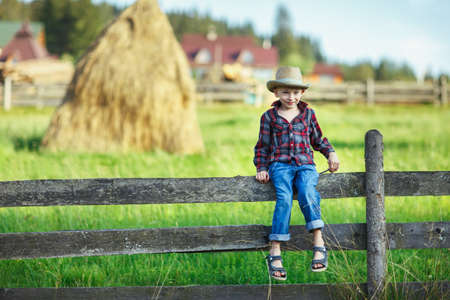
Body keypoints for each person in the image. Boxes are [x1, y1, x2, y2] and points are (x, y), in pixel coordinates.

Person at [254, 66, 339, 280]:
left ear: (302, 93)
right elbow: (263, 146)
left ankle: (318, 243)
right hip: (280, 165)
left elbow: (318, 140)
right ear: (275, 93)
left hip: (305, 165)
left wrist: (330, 154)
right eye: (285, 92)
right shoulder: (269, 117)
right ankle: (275, 250)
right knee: (283, 198)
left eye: (295, 92)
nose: (290, 97)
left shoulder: (308, 114)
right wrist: (262, 167)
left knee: (307, 191)